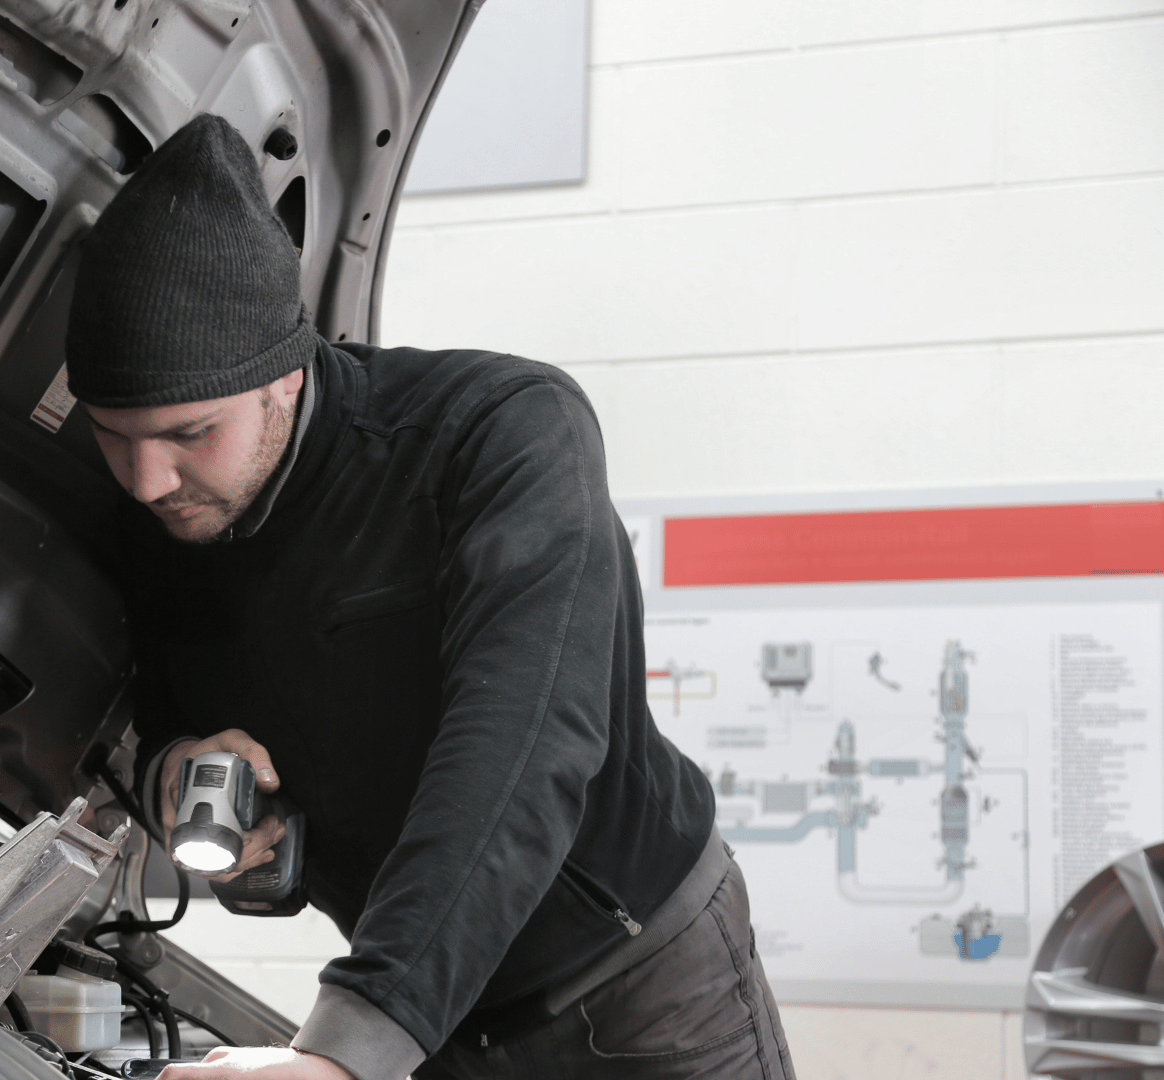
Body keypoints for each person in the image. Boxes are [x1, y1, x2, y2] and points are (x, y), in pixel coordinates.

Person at [63, 114, 795, 1080]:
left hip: (639, 991)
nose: (147, 480)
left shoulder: (498, 435)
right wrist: (173, 771)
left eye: (189, 434)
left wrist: (347, 1050)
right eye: (113, 436)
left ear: (285, 375)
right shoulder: (155, 518)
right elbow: (159, 705)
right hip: (436, 1025)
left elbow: (523, 747)